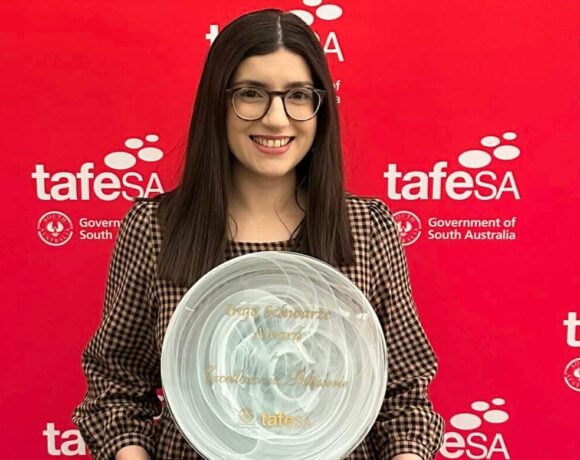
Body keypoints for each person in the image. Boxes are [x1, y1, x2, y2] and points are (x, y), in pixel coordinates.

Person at [73, 9, 444, 460]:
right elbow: (116, 387)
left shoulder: (366, 228)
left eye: (298, 95)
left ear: (320, 108)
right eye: (251, 94)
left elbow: (404, 397)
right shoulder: (156, 228)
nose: (276, 119)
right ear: (217, 102)